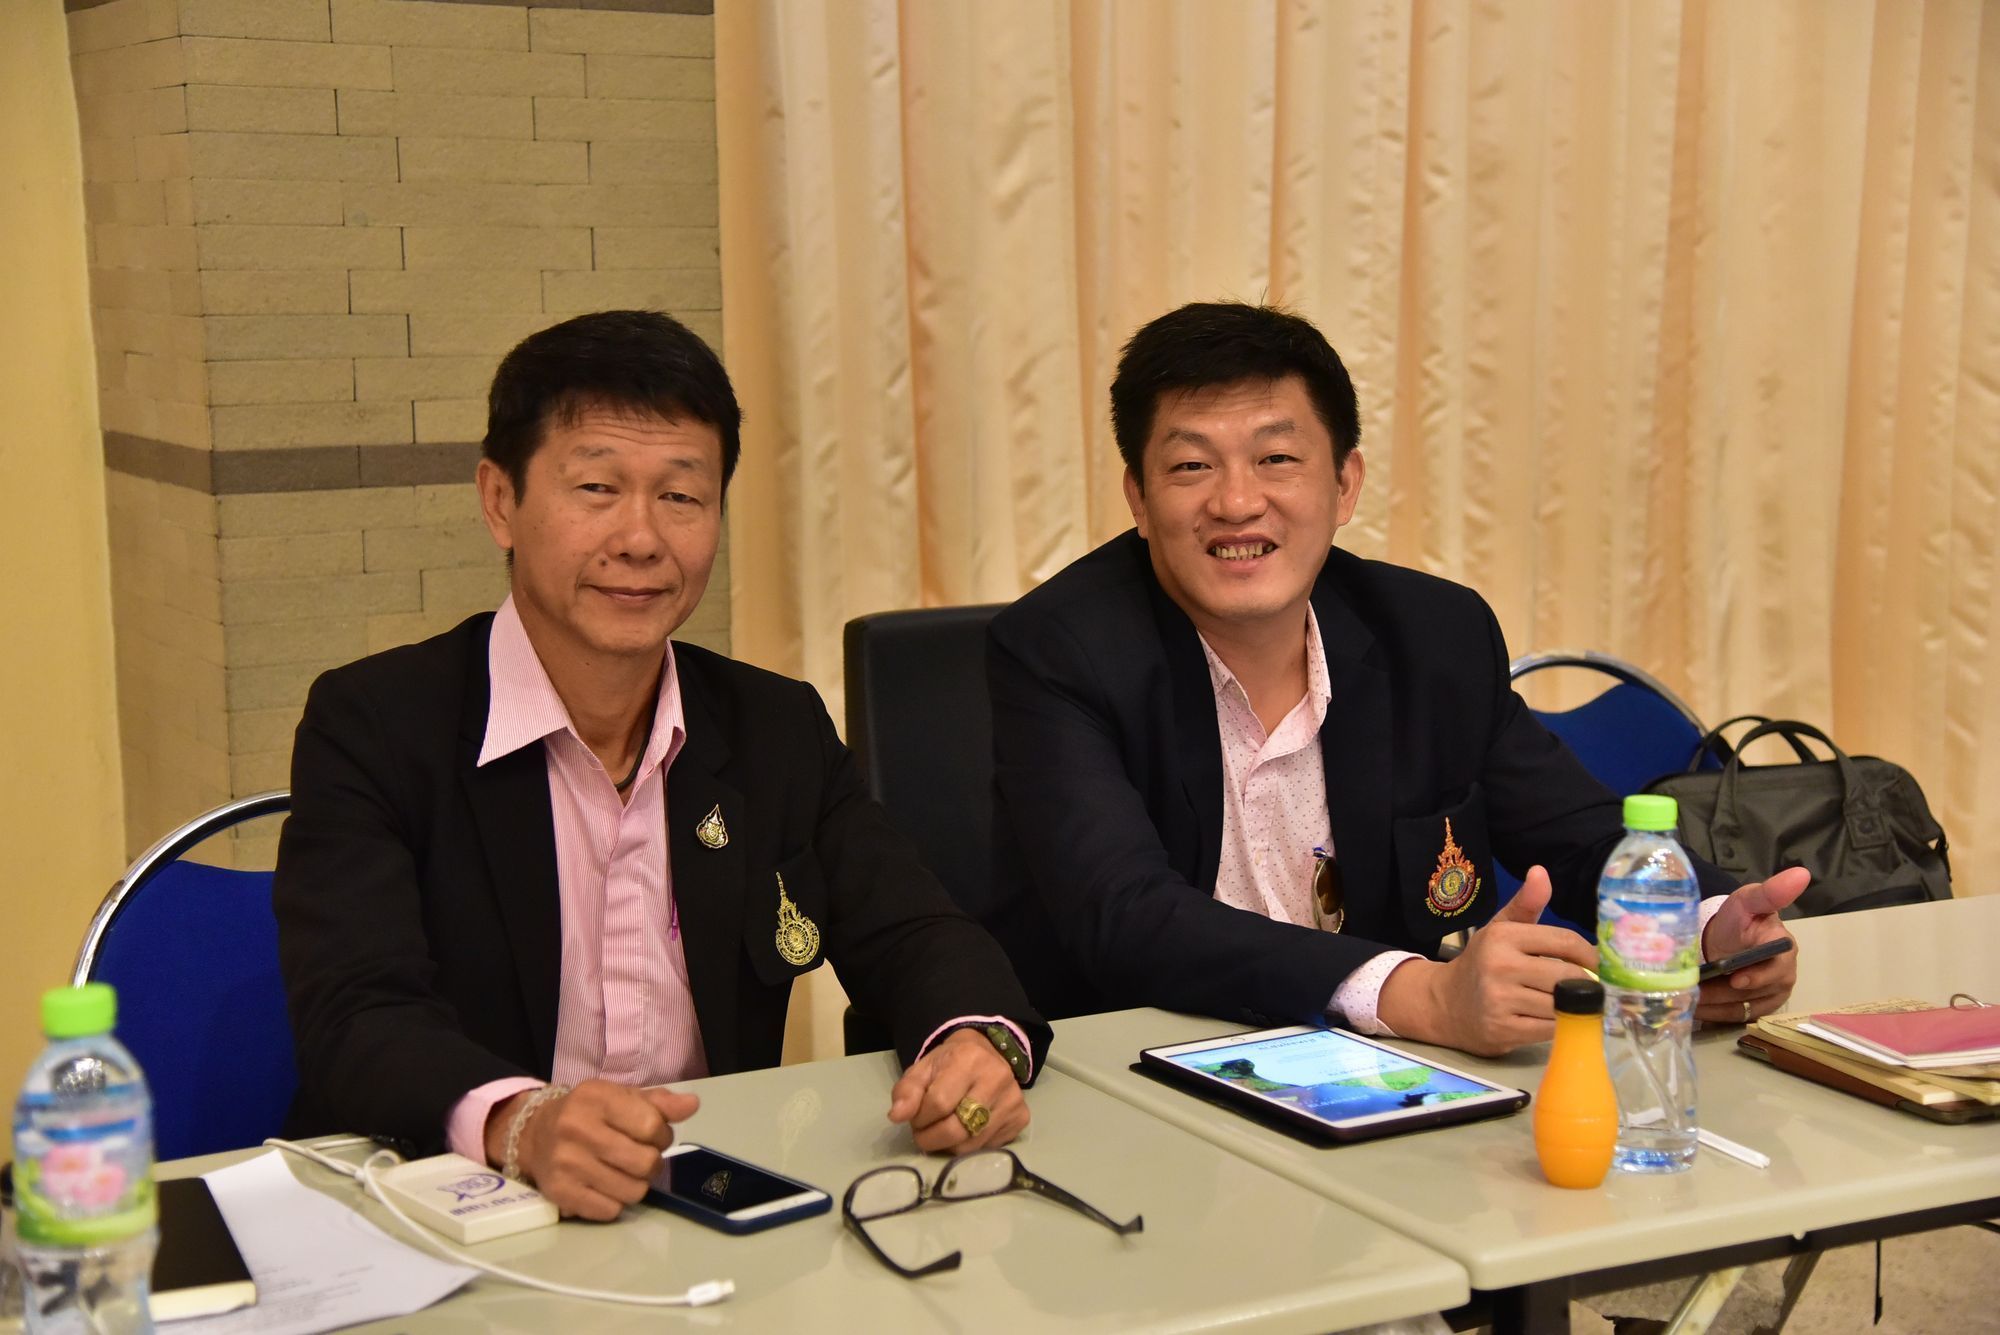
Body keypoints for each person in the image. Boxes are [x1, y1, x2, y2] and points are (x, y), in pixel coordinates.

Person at [275, 310, 1048, 1220]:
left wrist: (977, 1040)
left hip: (702, 1207)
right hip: (451, 1215)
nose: (641, 538)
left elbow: (915, 931)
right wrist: (520, 1121)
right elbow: (357, 1014)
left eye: (681, 496)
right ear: (499, 501)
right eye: (597, 488)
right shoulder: (375, 723)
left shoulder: (774, 727)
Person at [985, 301, 1804, 1055]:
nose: (1236, 502)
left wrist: (1707, 930)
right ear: (1138, 496)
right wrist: (1419, 993)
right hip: (1137, 1073)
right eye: (1192, 466)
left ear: (1345, 484)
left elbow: (1581, 834)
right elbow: (1127, 915)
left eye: (1276, 458)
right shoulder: (1061, 650)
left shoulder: (1432, 635)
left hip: (1383, 1081)